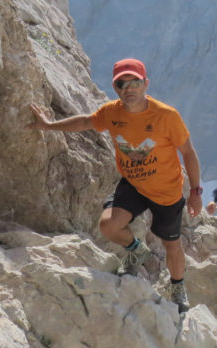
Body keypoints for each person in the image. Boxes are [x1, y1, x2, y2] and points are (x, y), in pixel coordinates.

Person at [26, 58, 202, 313]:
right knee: (108, 225)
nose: (128, 88)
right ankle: (136, 251)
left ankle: (177, 287)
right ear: (116, 87)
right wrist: (49, 126)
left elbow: (188, 153)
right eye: (122, 83)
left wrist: (196, 192)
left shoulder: (166, 116)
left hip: (167, 191)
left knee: (171, 244)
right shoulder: (111, 113)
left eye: (135, 82)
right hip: (134, 184)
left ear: (145, 84)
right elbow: (86, 122)